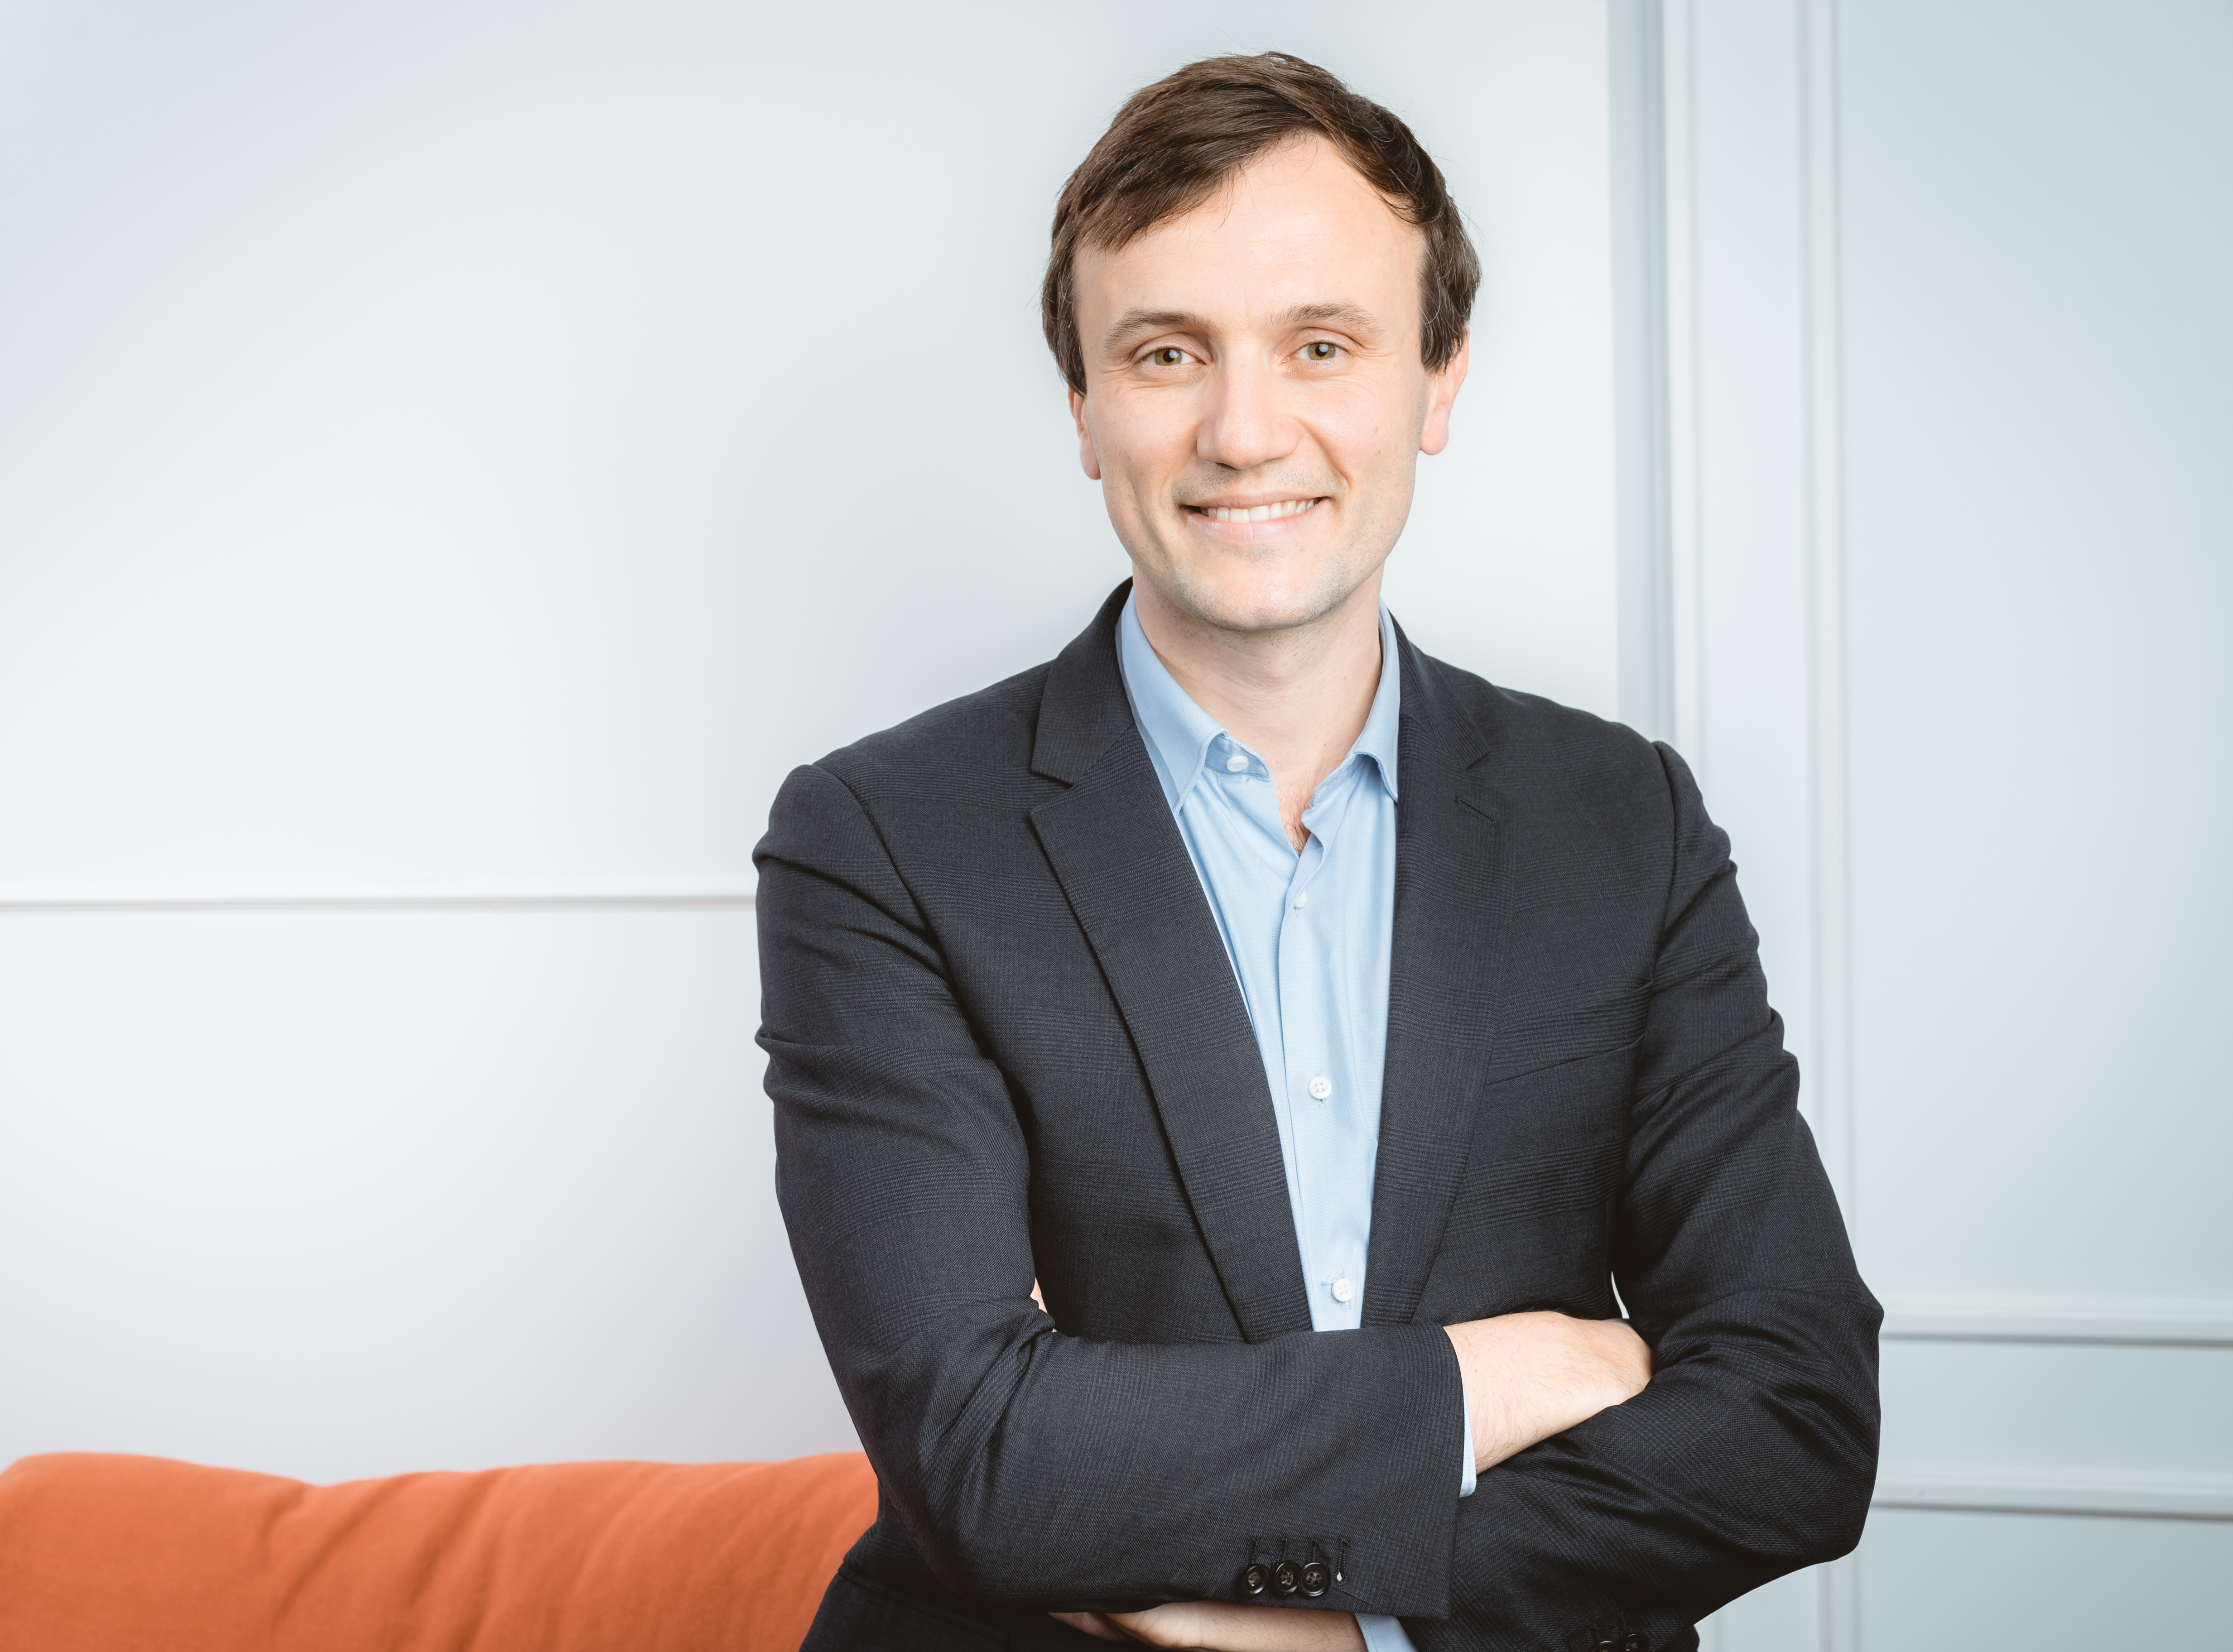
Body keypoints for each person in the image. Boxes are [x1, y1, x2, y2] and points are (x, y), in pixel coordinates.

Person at [754, 52, 1878, 1652]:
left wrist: (1337, 1624)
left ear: (1439, 380)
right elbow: (982, 1463)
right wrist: (1490, 1378)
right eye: (1166, 353)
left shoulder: (1624, 819)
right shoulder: (883, 840)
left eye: (1322, 346)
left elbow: (1798, 1421)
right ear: (1083, 409)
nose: (1244, 430)